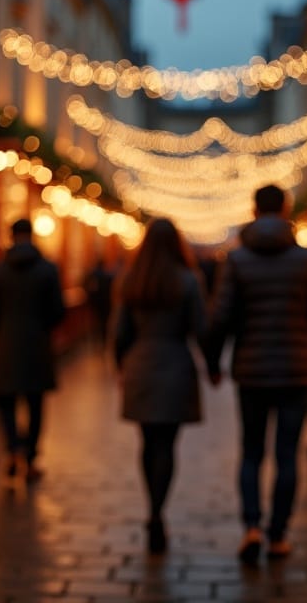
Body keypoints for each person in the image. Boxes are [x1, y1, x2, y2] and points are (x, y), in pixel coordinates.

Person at [204, 184, 307, 564]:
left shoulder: (238, 260)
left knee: (251, 452)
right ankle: (278, 535)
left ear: (253, 209)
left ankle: (251, 526)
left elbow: (221, 317)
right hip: (298, 372)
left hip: (251, 371)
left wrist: (214, 363)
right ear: (285, 210)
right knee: (287, 456)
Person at [112, 218, 207, 555]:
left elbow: (121, 333)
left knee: (148, 441)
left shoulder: (132, 280)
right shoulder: (188, 281)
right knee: (167, 444)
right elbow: (200, 328)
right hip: (176, 366)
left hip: (141, 365)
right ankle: (157, 511)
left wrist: (119, 366)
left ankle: (151, 506)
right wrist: (212, 366)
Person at [0, 218, 66, 484]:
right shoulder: (48, 271)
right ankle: (30, 458)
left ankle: (12, 450)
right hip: (37, 345)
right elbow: (57, 312)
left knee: (6, 402)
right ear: (32, 236)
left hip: (7, 343)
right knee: (35, 404)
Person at [84, 258, 114, 342]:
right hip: (105, 303)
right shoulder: (106, 275)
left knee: (97, 322)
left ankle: (99, 338)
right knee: (103, 322)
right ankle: (103, 338)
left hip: (95, 303)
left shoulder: (93, 274)